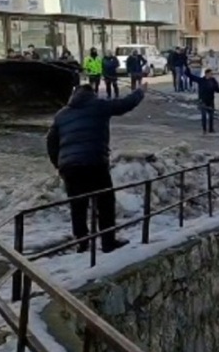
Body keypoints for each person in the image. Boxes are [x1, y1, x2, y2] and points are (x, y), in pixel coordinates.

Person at [46, 83, 147, 253]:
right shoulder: (98, 106)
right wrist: (140, 92)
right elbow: (124, 104)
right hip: (94, 162)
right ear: (92, 94)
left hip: (70, 167)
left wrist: (60, 164)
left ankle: (82, 242)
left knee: (78, 205)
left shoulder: (62, 114)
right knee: (104, 202)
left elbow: (51, 142)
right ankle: (108, 242)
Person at [185, 67, 219, 133]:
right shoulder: (201, 80)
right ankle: (204, 129)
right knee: (204, 116)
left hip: (210, 100)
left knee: (211, 116)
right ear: (206, 74)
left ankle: (211, 129)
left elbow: (216, 89)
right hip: (203, 101)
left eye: (212, 74)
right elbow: (191, 76)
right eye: (210, 74)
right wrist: (187, 69)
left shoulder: (213, 81)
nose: (211, 75)